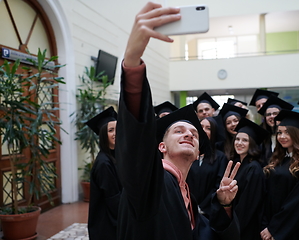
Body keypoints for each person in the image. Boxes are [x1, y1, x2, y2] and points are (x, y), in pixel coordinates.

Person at [115, 3, 241, 239]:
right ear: (161, 147)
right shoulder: (151, 182)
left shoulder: (184, 189)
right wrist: (132, 62)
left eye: (194, 134)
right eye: (178, 131)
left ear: (199, 152)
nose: (190, 134)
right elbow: (134, 147)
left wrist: (224, 205)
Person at [261, 110, 299, 240]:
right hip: (273, 224)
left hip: (297, 228)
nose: (282, 136)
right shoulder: (277, 160)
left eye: (287, 132)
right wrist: (266, 224)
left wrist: (275, 228)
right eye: (279, 132)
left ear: (297, 135)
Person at [86, 106, 122, 240]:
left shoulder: (116, 157)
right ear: (103, 134)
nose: (115, 133)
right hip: (106, 224)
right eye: (111, 130)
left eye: (118, 129)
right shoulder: (104, 163)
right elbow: (113, 199)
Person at [231, 117, 269, 240]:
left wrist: (233, 230)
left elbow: (248, 204)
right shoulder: (239, 164)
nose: (239, 143)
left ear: (252, 143)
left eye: (245, 140)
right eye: (237, 139)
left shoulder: (254, 168)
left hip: (248, 226)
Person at [187, 117, 228, 218]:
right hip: (187, 210)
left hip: (209, 213)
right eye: (201, 127)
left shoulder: (220, 157)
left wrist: (202, 207)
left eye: (208, 128)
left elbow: (218, 185)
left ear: (213, 133)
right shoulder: (187, 153)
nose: (203, 130)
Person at [257, 96, 294, 164]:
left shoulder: (290, 136)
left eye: (275, 113)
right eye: (268, 114)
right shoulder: (264, 139)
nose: (272, 116)